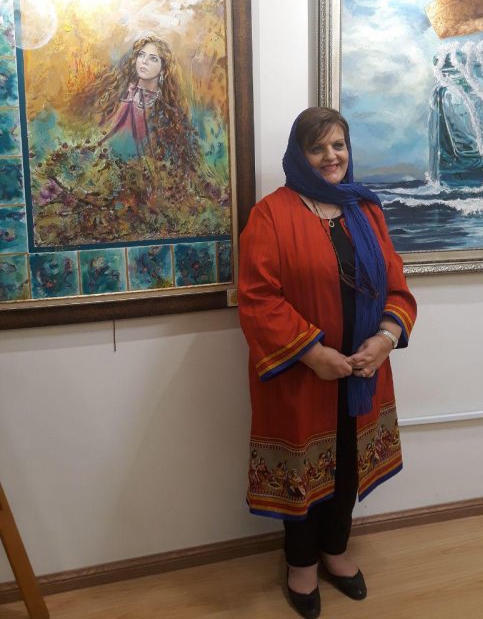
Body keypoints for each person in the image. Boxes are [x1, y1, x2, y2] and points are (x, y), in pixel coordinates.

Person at [238, 107, 417, 618]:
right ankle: (300, 565)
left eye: (338, 145)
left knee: (349, 463)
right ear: (300, 155)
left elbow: (398, 286)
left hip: (362, 373)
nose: (331, 156)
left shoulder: (367, 211)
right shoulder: (271, 215)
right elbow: (258, 298)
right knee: (303, 470)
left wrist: (385, 339)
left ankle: (335, 551)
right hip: (300, 376)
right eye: (317, 148)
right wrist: (313, 353)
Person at [70, 34, 200, 173]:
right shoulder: (118, 95)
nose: (144, 61)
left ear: (163, 69)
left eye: (153, 58)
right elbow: (97, 134)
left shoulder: (165, 110)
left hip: (139, 173)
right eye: (141, 55)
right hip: (102, 165)